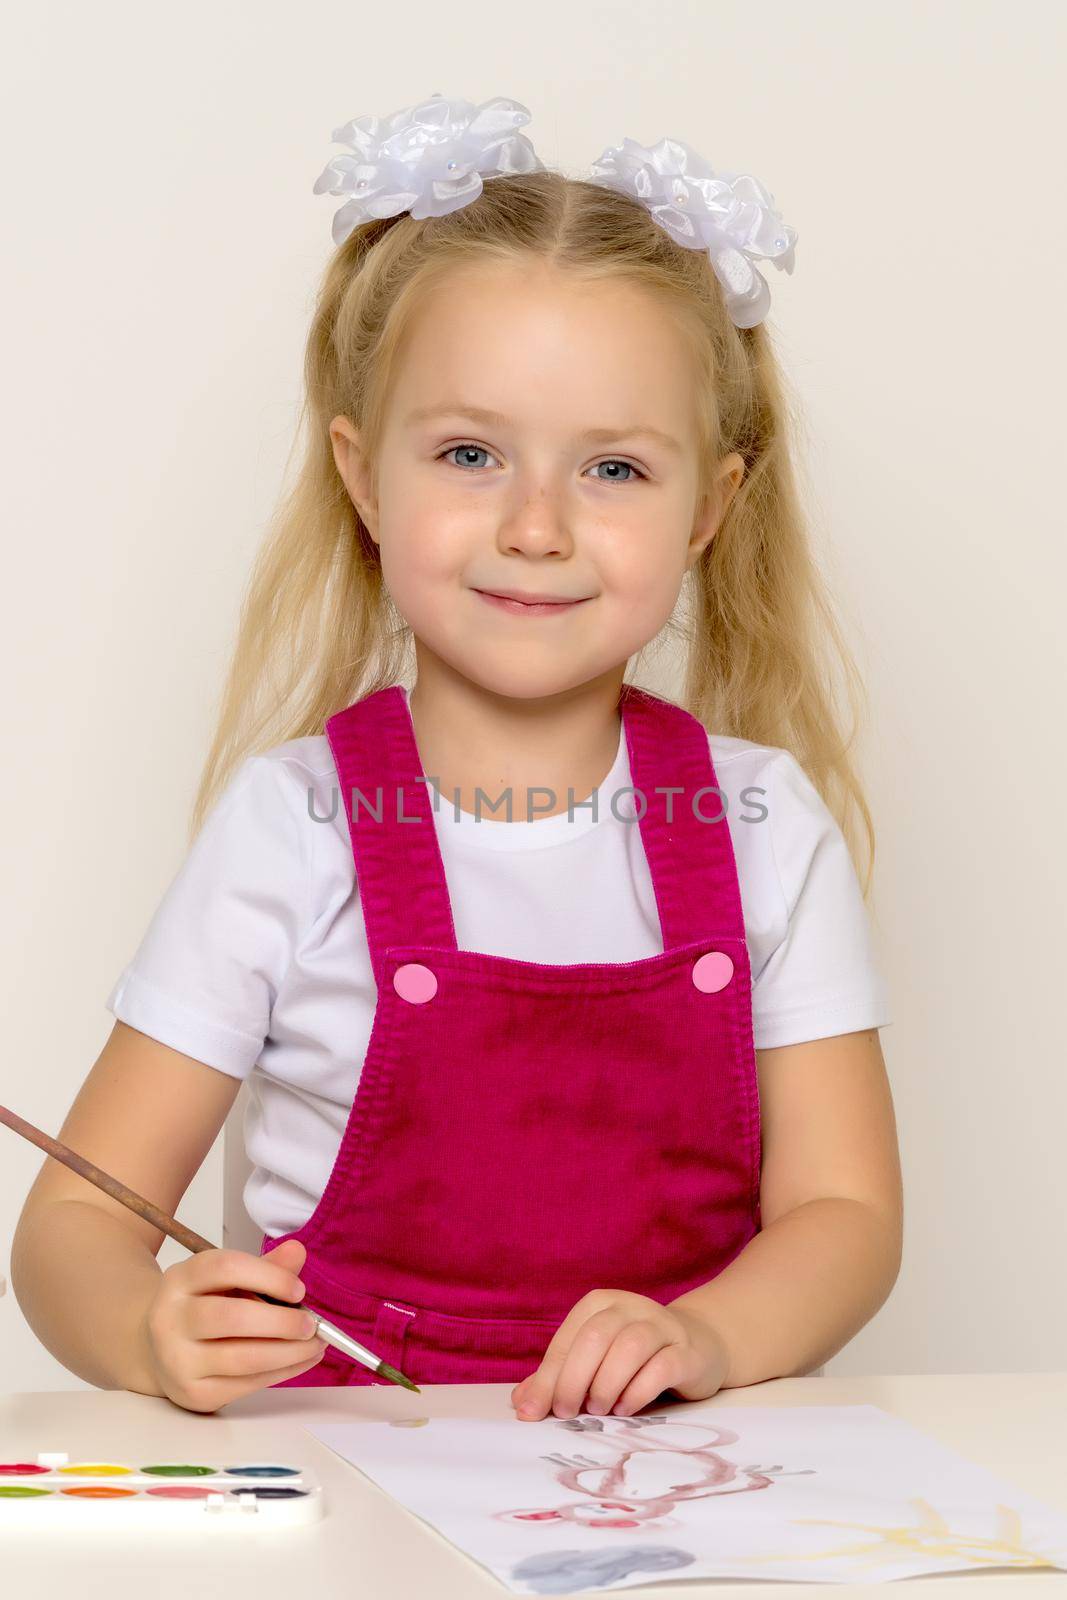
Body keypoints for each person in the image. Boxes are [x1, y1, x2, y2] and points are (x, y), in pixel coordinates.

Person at [12, 94, 901, 1418]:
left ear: (711, 508)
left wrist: (708, 1335)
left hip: (678, 1492)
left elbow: (845, 1213)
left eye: (613, 469)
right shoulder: (292, 827)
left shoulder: (766, 823)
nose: (536, 526)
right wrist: (147, 1329)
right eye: (471, 454)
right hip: (355, 1474)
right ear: (365, 479)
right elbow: (69, 1236)